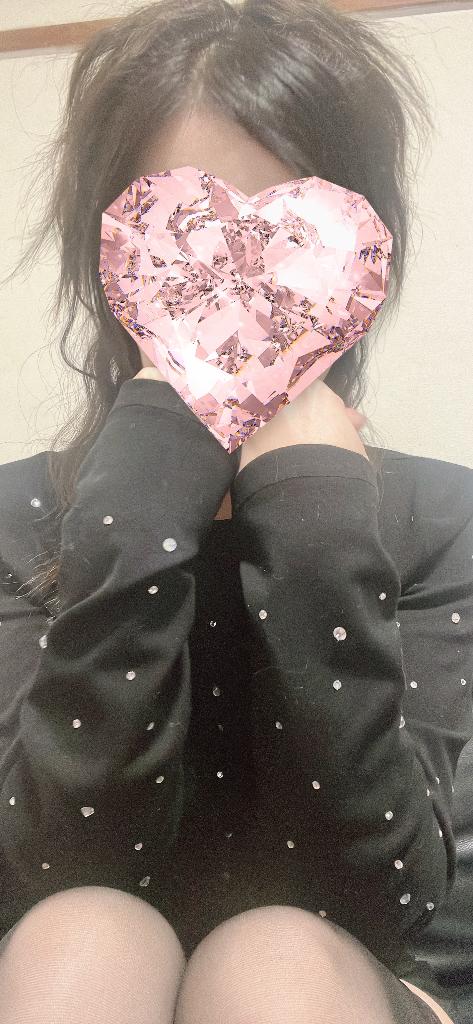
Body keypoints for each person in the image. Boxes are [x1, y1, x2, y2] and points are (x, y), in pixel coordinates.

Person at [0, 2, 471, 1021]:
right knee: (84, 937)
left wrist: (316, 525)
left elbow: (383, 899)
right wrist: (135, 508)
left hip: (354, 973)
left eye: (291, 239)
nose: (241, 289)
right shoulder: (19, 518)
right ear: (108, 259)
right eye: (189, 243)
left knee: (272, 961)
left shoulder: (441, 518)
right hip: (71, 965)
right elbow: (47, 870)